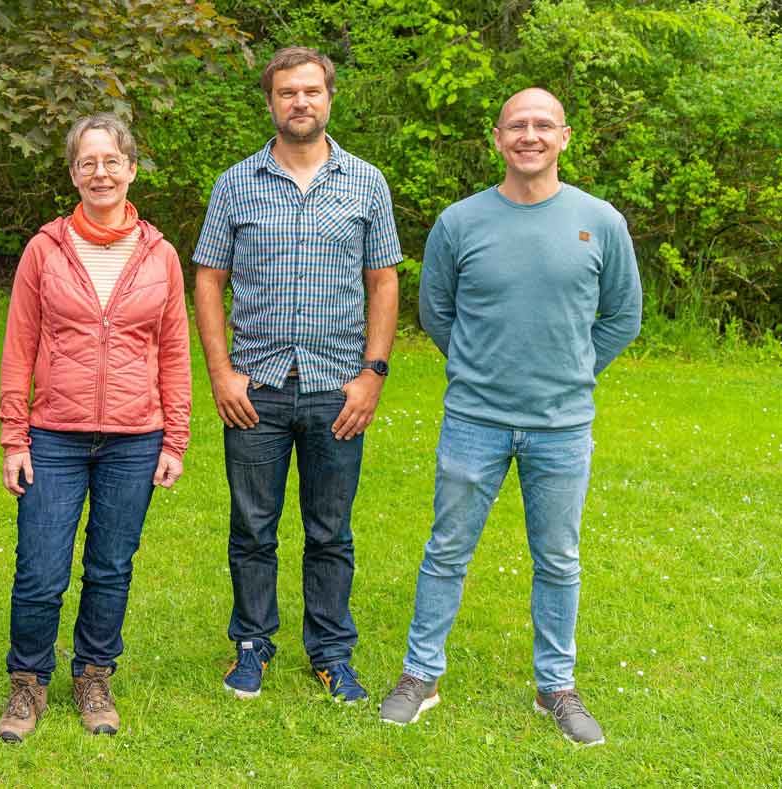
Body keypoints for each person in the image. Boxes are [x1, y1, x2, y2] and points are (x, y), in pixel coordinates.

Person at [378, 88, 642, 746]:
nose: (529, 135)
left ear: (564, 137)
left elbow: (622, 316)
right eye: (516, 125)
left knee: (557, 558)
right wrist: (480, 366)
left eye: (542, 125)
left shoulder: (598, 221)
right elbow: (435, 313)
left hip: (561, 424)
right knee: (446, 552)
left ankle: (554, 685)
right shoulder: (460, 222)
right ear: (495, 138)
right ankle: (420, 675)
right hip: (475, 418)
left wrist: (573, 368)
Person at [192, 47, 401, 703]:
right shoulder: (235, 183)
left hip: (336, 387)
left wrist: (372, 374)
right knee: (252, 527)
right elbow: (207, 278)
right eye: (287, 92)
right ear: (271, 102)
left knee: (329, 530)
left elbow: (383, 280)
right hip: (254, 387)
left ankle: (332, 653)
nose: (300, 102)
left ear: (329, 98)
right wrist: (220, 372)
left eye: (311, 91)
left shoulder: (365, 183)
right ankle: (250, 646)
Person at [0, 113, 191, 742]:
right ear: (73, 173)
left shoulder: (160, 254)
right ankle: (28, 681)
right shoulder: (45, 249)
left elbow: (174, 350)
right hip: (54, 435)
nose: (100, 173)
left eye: (112, 161)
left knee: (110, 566)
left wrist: (175, 439)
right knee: (41, 568)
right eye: (87, 163)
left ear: (131, 168)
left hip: (136, 438)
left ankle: (94, 674)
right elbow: (19, 345)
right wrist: (13, 436)